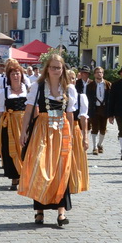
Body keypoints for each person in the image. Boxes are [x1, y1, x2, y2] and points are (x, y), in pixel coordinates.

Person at [21, 50, 88, 226]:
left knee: (61, 168)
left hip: (61, 130)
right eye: (52, 67)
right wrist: (23, 132)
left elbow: (70, 114)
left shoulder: (69, 88)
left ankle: (61, 212)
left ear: (63, 69)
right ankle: (39, 211)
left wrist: (73, 136)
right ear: (47, 69)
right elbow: (28, 111)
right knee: (41, 166)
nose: (56, 70)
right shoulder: (38, 86)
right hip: (42, 129)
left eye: (58, 68)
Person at [0, 59, 26, 190]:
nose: (16, 76)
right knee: (10, 150)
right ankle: (14, 178)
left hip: (24, 123)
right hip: (10, 123)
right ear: (9, 77)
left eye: (17, 73)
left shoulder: (28, 90)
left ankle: (24, 175)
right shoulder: (4, 92)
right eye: (13, 74)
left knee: (24, 149)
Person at [85, 66, 110, 155]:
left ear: (103, 74)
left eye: (101, 72)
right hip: (94, 109)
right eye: (97, 72)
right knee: (94, 128)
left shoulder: (108, 84)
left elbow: (110, 98)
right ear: (94, 74)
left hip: (104, 109)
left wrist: (111, 112)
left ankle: (100, 144)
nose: (99, 74)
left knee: (103, 128)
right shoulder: (90, 86)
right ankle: (95, 147)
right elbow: (87, 98)